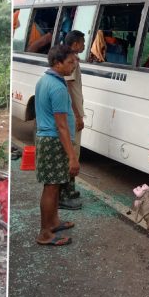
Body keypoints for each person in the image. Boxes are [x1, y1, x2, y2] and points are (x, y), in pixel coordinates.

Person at [34, 44, 79, 246]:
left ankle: (53, 222)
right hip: (53, 141)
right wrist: (72, 156)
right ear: (57, 63)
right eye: (70, 62)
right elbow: (61, 126)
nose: (74, 66)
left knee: (54, 185)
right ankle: (45, 233)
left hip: (47, 139)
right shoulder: (58, 88)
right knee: (51, 188)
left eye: (75, 61)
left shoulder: (45, 80)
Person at [59, 30, 86, 210]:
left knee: (73, 153)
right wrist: (76, 115)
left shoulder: (67, 59)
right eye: (82, 42)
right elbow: (69, 88)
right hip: (71, 113)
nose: (84, 46)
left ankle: (70, 190)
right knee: (72, 154)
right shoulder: (71, 63)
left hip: (71, 112)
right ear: (75, 44)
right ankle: (65, 194)